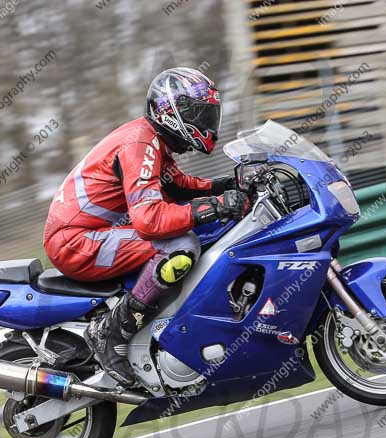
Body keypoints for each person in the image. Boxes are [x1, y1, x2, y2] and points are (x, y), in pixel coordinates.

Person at [43, 67, 249, 385]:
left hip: (91, 233)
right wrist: (216, 207)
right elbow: (149, 219)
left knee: (199, 230)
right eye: (200, 114)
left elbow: (179, 186)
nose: (208, 122)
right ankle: (110, 333)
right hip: (75, 241)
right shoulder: (140, 144)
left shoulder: (150, 139)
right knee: (182, 248)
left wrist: (227, 186)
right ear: (172, 112)